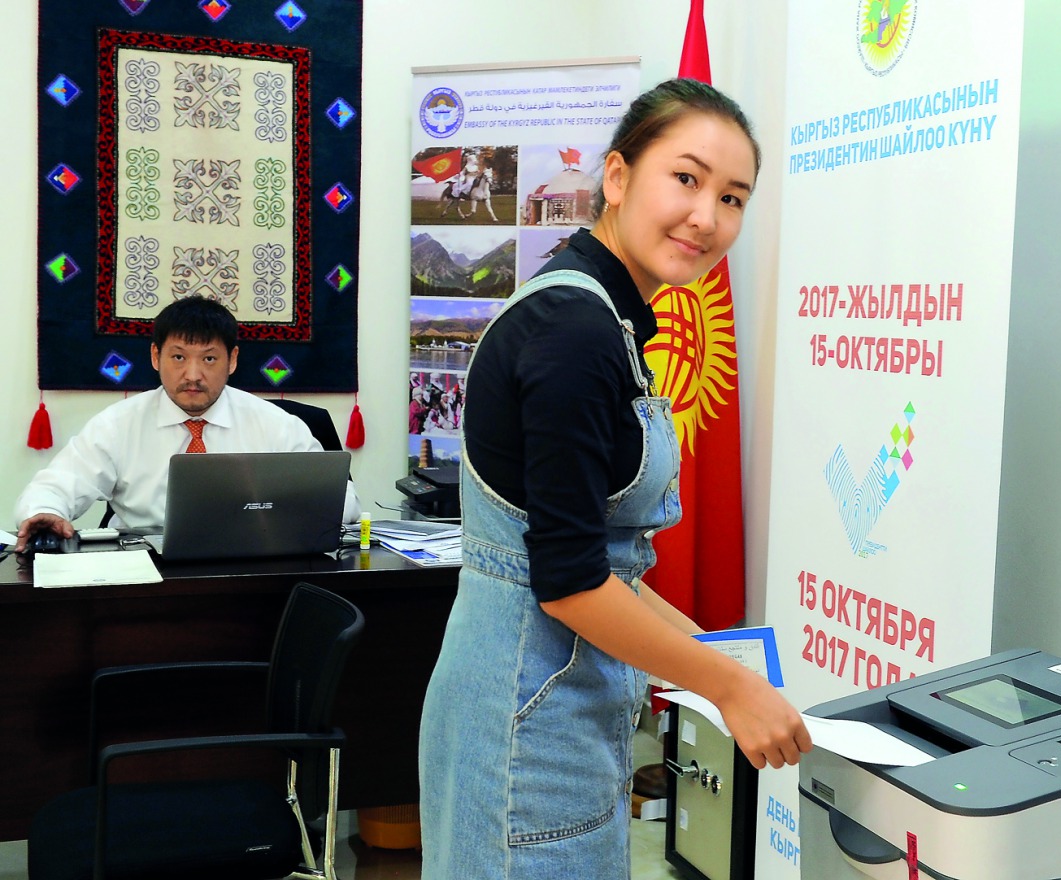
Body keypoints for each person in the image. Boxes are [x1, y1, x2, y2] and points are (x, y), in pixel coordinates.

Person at [418, 78, 812, 880]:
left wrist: (716, 657)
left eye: (734, 197)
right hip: (528, 722)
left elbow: (609, 567)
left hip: (557, 706)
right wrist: (727, 688)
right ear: (619, 176)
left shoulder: (606, 317)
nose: (708, 217)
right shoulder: (573, 331)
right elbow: (569, 584)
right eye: (688, 178)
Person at [13, 296, 360, 552]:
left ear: (233, 360)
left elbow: (343, 503)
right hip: (144, 571)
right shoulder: (119, 424)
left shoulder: (275, 424)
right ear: (155, 356)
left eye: (209, 358)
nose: (192, 375)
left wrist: (278, 506)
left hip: (252, 564)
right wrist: (45, 512)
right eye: (178, 357)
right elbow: (56, 486)